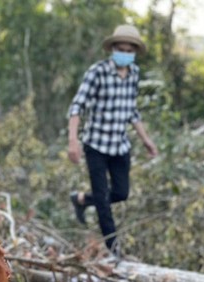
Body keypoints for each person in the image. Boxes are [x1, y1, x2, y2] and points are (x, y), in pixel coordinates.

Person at [67, 24, 158, 258]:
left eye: (129, 50)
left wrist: (146, 139)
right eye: (121, 48)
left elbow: (132, 111)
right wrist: (73, 140)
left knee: (121, 192)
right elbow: (77, 106)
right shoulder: (97, 72)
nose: (124, 53)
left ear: (135, 52)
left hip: (119, 146)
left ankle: (80, 199)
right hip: (96, 145)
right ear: (113, 48)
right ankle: (114, 251)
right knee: (103, 204)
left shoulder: (134, 74)